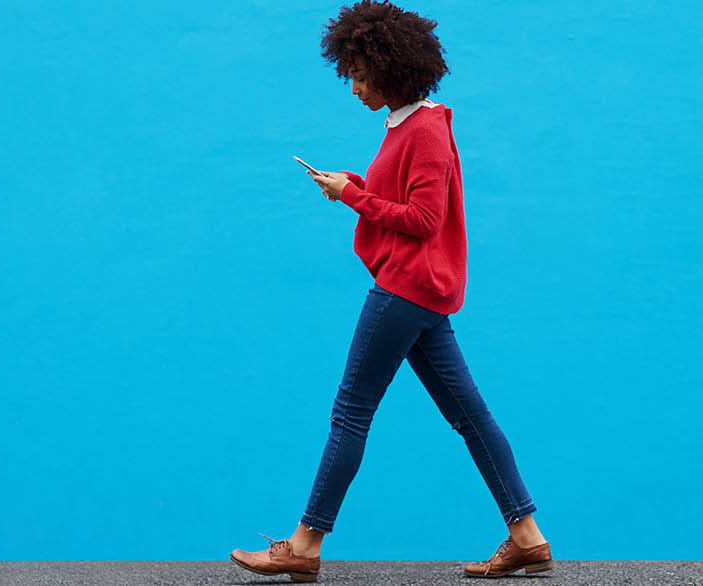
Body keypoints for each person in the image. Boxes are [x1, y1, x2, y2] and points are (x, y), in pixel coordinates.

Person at [228, 1, 552, 582]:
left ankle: (304, 546)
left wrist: (352, 198)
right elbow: (399, 199)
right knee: (471, 416)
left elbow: (423, 219)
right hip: (423, 294)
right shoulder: (408, 125)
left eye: (358, 73)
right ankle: (527, 536)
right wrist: (350, 183)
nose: (352, 87)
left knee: (350, 413)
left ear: (391, 68)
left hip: (403, 291)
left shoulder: (425, 129)